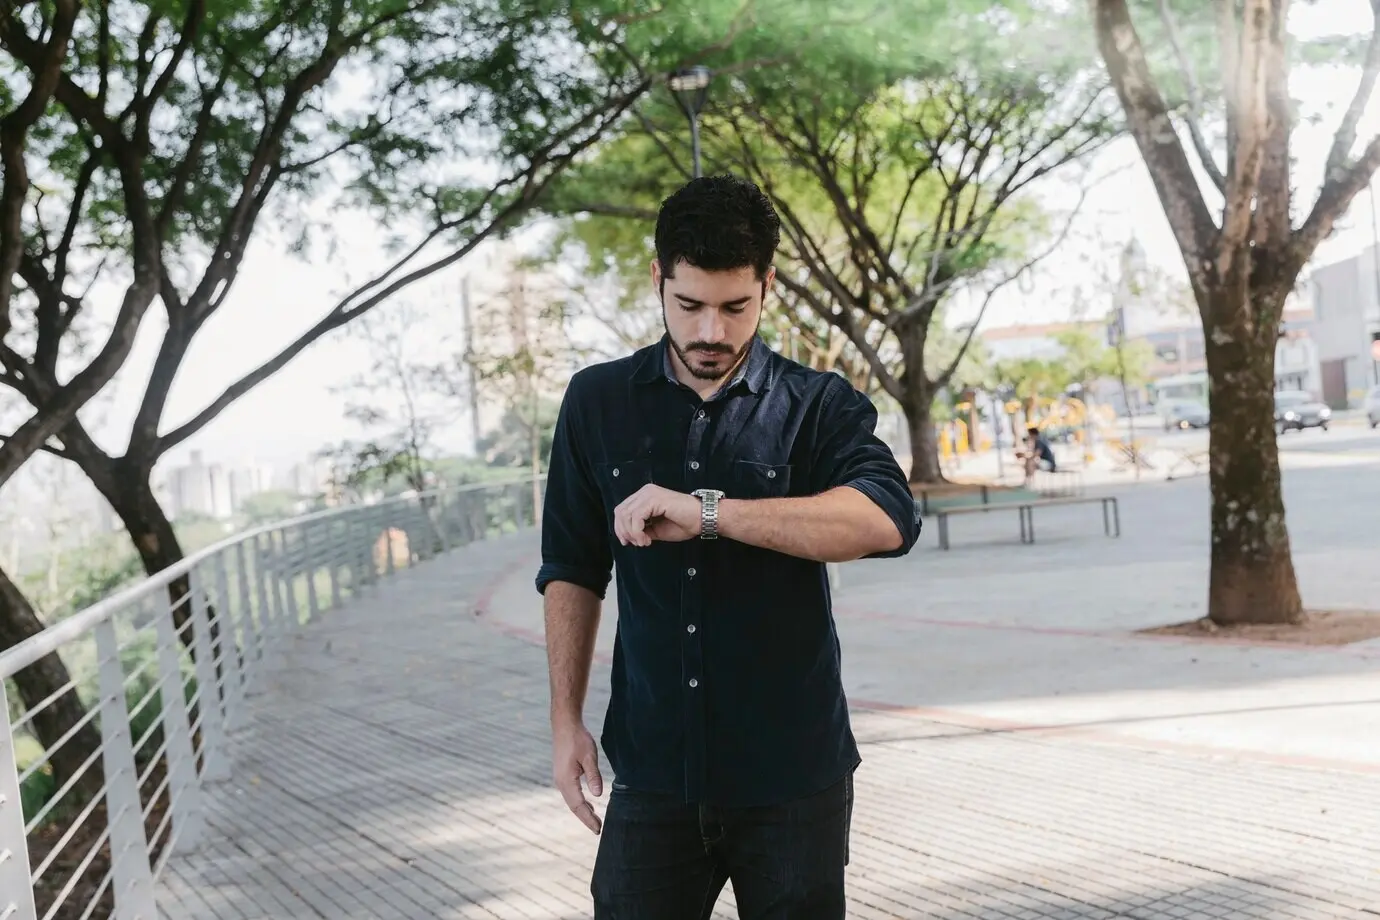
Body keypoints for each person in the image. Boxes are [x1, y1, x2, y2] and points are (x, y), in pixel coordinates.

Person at [535, 174, 922, 919]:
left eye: (734, 307)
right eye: (690, 306)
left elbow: (884, 519)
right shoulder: (596, 401)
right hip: (651, 773)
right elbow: (571, 570)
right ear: (658, 279)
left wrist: (712, 513)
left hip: (792, 777)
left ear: (768, 286)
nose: (711, 331)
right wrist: (563, 724)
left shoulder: (819, 404)